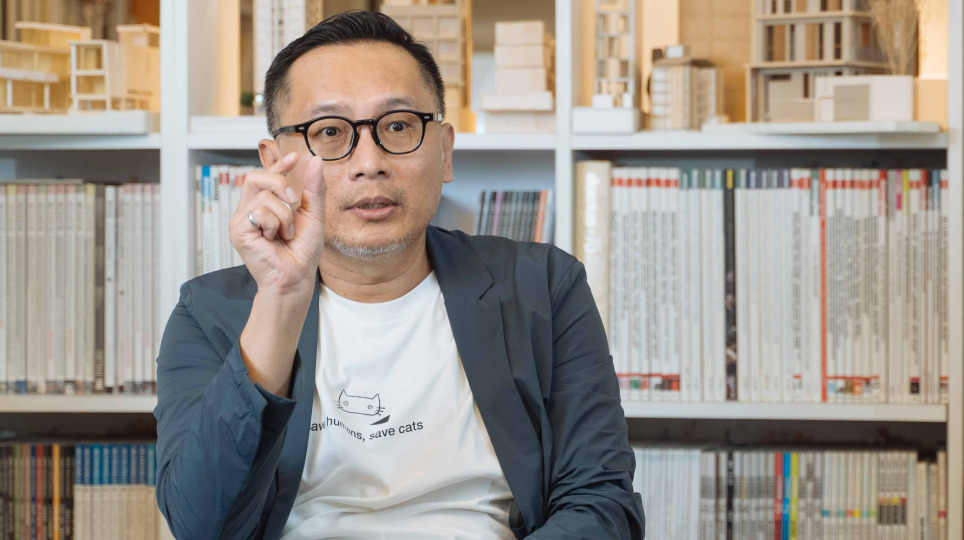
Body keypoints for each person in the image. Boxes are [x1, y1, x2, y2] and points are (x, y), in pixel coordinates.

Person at [154, 10, 644, 540]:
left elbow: (601, 505)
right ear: (275, 163)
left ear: (445, 150)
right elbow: (201, 526)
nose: (370, 162)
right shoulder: (207, 314)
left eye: (398, 125)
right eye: (330, 131)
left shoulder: (543, 286)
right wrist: (280, 299)